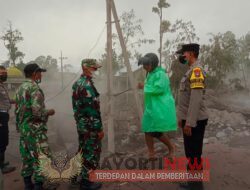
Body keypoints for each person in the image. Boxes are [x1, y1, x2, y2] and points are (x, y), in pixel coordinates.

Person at [15, 63, 55, 190]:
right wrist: (49, 112)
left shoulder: (20, 88)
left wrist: (19, 127)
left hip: (24, 129)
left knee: (27, 157)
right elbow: (37, 112)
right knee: (42, 158)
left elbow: (17, 110)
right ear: (34, 74)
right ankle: (38, 186)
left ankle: (28, 185)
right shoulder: (34, 88)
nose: (41, 74)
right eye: (39, 72)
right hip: (35, 130)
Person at [176, 43, 208, 190]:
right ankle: (193, 183)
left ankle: (196, 186)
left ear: (191, 53)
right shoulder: (190, 70)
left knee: (194, 153)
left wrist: (189, 123)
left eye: (183, 53)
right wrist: (181, 118)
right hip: (189, 119)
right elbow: (186, 99)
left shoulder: (196, 71)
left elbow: (195, 100)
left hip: (195, 121)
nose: (182, 56)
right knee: (191, 153)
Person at [137, 53, 177, 161]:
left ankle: (171, 148)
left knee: (156, 131)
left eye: (146, 64)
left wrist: (144, 86)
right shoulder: (150, 73)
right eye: (143, 65)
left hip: (159, 106)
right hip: (151, 106)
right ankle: (151, 154)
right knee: (147, 128)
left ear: (153, 64)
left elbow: (159, 89)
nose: (144, 67)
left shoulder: (161, 74)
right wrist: (144, 86)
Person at [72, 59, 104, 190]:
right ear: (86, 68)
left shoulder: (77, 83)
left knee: (83, 150)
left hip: (82, 125)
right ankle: (86, 183)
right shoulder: (86, 86)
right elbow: (92, 111)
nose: (95, 70)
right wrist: (99, 129)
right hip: (90, 127)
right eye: (94, 68)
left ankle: (76, 175)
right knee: (91, 153)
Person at [0, 65, 16, 174]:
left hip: (4, 114)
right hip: (0, 115)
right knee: (1, 140)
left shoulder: (2, 86)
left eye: (5, 73)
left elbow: (7, 100)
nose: (4, 75)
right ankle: (1, 167)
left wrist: (17, 100)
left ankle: (2, 162)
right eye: (2, 74)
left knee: (4, 140)